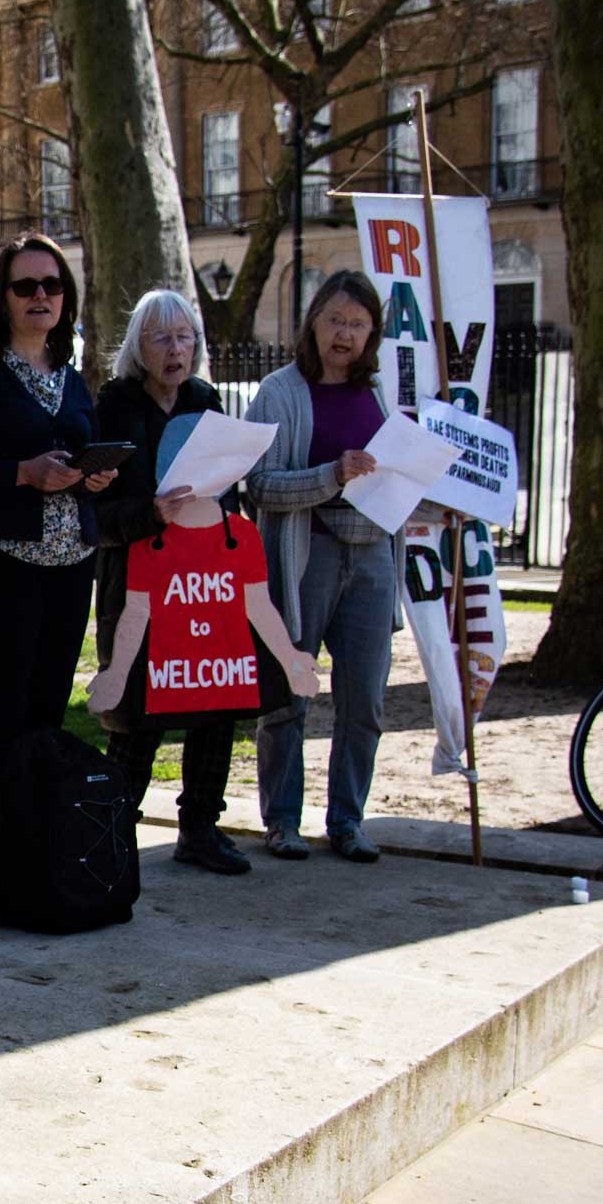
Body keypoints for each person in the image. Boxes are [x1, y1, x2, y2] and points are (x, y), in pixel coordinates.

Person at [0, 234, 114, 880]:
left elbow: (89, 447)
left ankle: (39, 848)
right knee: (3, 708)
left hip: (71, 561)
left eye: (52, 285)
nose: (42, 297)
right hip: (1, 562)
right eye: (26, 287)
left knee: (49, 707)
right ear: (3, 297)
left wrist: (98, 476)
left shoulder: (72, 376)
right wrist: (22, 473)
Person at [91, 286, 252, 874]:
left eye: (185, 337)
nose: (175, 348)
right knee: (136, 711)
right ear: (139, 346)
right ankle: (113, 834)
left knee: (214, 699)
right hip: (136, 583)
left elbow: (226, 489)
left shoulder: (206, 402)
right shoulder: (114, 406)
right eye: (161, 337)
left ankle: (200, 827)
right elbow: (97, 519)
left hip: (200, 584)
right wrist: (149, 513)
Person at [244, 270, 403, 863]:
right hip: (305, 555)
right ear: (312, 323)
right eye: (335, 319)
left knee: (366, 699)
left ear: (372, 335)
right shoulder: (281, 391)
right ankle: (282, 820)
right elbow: (258, 485)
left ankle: (348, 821)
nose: (345, 333)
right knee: (290, 692)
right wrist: (330, 475)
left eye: (358, 324)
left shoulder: (379, 392)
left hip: (373, 557)